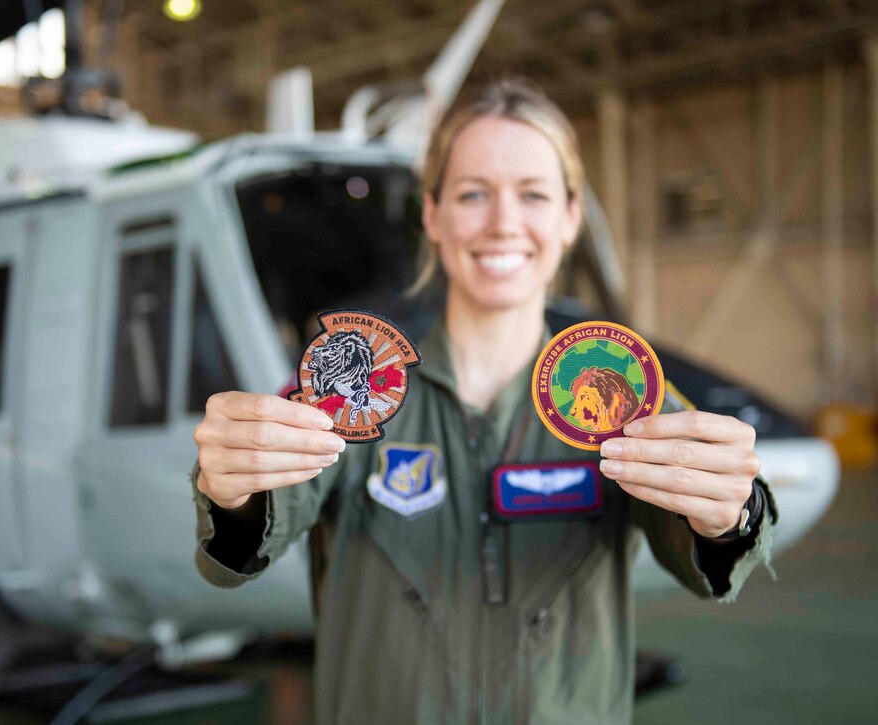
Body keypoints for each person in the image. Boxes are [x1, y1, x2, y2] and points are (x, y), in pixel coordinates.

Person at [190, 78, 776, 724]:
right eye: (474, 194)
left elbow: (704, 551)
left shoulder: (627, 398)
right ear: (433, 215)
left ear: (570, 216)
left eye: (532, 194)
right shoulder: (353, 390)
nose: (503, 223)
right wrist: (236, 488)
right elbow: (258, 525)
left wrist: (731, 511)